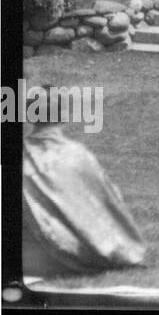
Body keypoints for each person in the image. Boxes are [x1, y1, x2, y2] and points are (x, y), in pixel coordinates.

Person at [23, 111, 146, 277]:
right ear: (64, 117)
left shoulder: (21, 155)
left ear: (30, 117)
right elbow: (109, 206)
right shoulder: (77, 155)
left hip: (29, 258)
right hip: (71, 255)